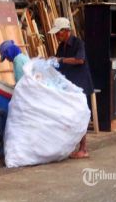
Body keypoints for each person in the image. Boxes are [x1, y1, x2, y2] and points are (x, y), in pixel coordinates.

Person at [49, 17, 94, 159]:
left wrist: (61, 60)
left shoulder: (78, 43)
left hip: (81, 85)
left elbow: (80, 60)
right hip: (69, 85)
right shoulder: (61, 47)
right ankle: (71, 146)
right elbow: (57, 63)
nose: (56, 36)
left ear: (66, 31)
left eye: (58, 33)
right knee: (69, 115)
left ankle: (83, 149)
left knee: (80, 115)